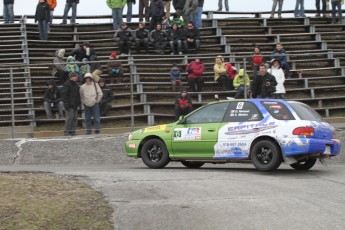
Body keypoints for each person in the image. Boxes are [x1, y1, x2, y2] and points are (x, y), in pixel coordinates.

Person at [62, 71, 80, 136]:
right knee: (69, 118)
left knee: (75, 118)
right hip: (69, 105)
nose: (77, 77)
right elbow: (64, 95)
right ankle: (67, 132)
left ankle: (72, 131)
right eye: (76, 76)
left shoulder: (76, 85)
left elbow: (78, 95)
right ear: (72, 77)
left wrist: (79, 103)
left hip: (75, 105)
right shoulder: (66, 84)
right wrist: (66, 104)